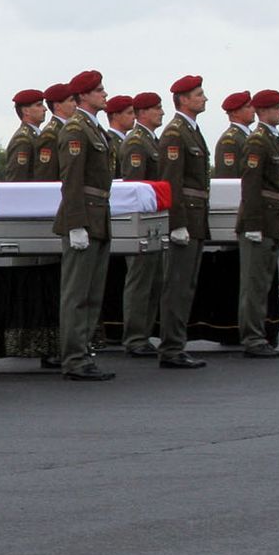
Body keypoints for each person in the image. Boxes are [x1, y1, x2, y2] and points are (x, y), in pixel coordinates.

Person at [53, 69, 115, 381]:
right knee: (77, 293)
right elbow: (72, 180)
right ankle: (74, 357)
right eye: (99, 90)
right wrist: (76, 224)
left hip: (98, 214)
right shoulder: (77, 129)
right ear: (84, 96)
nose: (105, 94)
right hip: (85, 217)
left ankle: (84, 352)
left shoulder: (94, 128)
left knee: (92, 292)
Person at [156, 75, 211, 370]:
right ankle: (171, 348)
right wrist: (176, 221)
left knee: (186, 285)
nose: (204, 98)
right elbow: (170, 181)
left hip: (195, 215)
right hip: (185, 216)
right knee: (176, 285)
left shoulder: (191, 131)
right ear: (183, 100)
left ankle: (176, 344)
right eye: (199, 94)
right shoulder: (176, 133)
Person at [236, 89, 279, 359]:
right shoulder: (258, 141)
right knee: (254, 285)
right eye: (278, 108)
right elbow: (251, 185)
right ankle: (252, 338)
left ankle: (258, 335)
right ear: (264, 111)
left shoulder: (272, 139)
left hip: (270, 220)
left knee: (263, 283)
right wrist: (253, 224)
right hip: (259, 221)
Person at [116, 91, 166, 357]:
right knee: (140, 281)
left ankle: (143, 334)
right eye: (156, 108)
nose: (162, 112)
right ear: (142, 113)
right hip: (142, 222)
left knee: (153, 280)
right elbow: (135, 186)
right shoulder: (137, 143)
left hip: (154, 221)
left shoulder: (151, 140)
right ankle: (135, 337)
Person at [2, 88, 47, 180]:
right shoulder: (23, 139)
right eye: (39, 105)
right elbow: (17, 176)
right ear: (26, 111)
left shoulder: (35, 135)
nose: (45, 109)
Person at [35, 83, 76, 177]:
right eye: (71, 100)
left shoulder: (67, 128)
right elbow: (46, 172)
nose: (75, 104)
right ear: (57, 106)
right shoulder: (51, 134)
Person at [215, 91, 255, 177]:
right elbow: (228, 175)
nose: (253, 110)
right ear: (235, 113)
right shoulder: (230, 140)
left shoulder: (251, 135)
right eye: (248, 107)